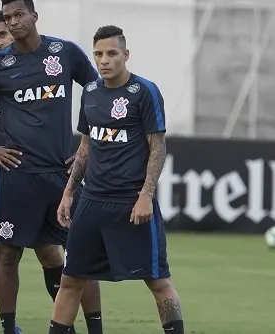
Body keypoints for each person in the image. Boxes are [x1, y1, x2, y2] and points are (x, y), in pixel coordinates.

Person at [0, 0, 104, 334]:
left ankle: (94, 329)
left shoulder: (64, 53)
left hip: (62, 176)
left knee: (76, 258)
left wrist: (84, 145)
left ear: (34, 16)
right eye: (8, 18)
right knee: (8, 255)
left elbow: (98, 91)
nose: (13, 22)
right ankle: (9, 328)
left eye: (19, 15)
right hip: (17, 177)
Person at [49, 25, 184, 334]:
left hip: (130, 203)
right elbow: (85, 147)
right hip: (92, 201)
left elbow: (157, 146)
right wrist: (69, 192)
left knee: (158, 280)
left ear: (126, 55)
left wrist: (146, 195)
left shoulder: (145, 92)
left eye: (111, 53)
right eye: (98, 54)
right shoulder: (91, 93)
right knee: (71, 279)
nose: (104, 60)